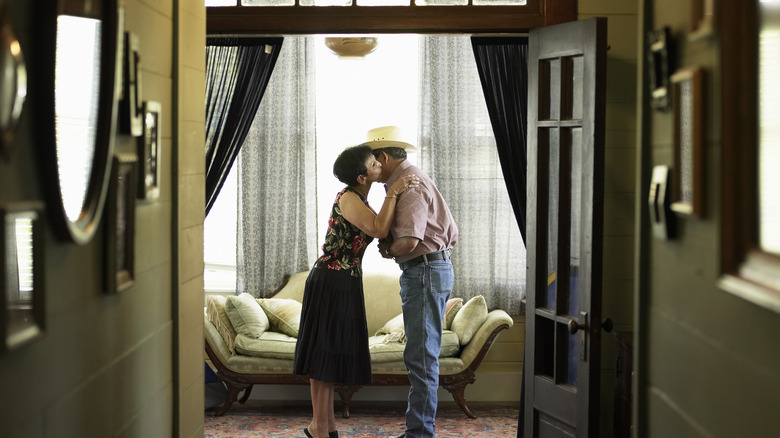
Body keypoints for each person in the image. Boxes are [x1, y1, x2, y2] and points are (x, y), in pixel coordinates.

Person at [293, 144, 420, 438]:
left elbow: (383, 231)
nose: (379, 165)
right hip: (330, 279)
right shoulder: (349, 198)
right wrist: (394, 191)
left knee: (334, 352)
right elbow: (377, 229)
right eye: (373, 164)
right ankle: (319, 426)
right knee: (323, 352)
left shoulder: (362, 199)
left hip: (346, 282)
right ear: (362, 177)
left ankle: (325, 426)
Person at [366, 126, 459, 438]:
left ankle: (419, 434)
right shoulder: (404, 181)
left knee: (420, 358)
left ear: (383, 156)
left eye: (372, 161)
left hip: (423, 270)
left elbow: (408, 242)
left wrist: (389, 249)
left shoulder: (410, 186)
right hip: (426, 269)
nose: (371, 168)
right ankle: (418, 431)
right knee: (420, 355)